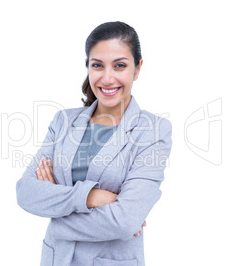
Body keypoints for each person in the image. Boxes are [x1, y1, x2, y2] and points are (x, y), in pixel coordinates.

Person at [16, 21, 172, 266]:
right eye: (97, 65)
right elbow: (26, 192)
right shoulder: (64, 121)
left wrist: (55, 209)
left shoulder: (153, 131)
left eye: (120, 65)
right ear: (88, 67)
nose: (107, 78)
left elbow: (124, 222)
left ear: (137, 69)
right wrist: (90, 197)